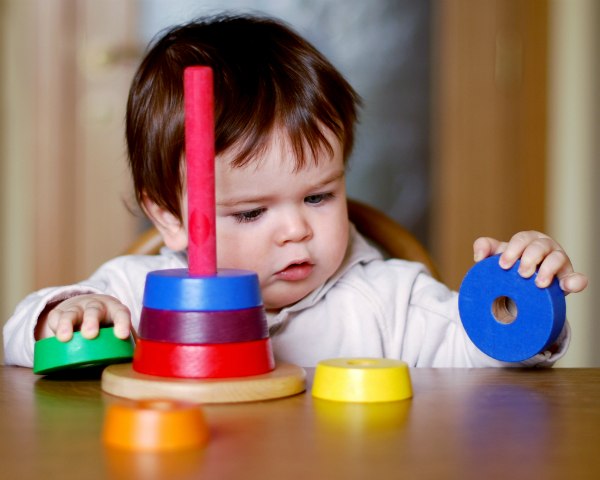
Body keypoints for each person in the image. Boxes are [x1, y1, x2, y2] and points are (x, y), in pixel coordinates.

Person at [3, 13, 587, 368]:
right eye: (251, 211)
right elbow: (19, 341)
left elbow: (486, 360)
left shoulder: (386, 299)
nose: (296, 229)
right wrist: (69, 316)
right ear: (170, 220)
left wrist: (520, 302)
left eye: (318, 196)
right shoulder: (139, 297)